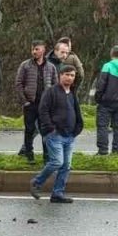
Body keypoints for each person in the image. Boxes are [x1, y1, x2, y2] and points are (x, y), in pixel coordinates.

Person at [30, 65, 84, 204]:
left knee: (66, 166)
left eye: (72, 75)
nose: (70, 77)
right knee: (57, 162)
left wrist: (78, 128)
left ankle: (57, 193)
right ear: (60, 75)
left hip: (69, 135)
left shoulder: (72, 94)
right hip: (55, 135)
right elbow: (43, 111)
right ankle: (36, 182)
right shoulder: (51, 92)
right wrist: (50, 128)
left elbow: (77, 112)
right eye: (67, 74)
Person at [15, 40, 57, 163]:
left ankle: (47, 156)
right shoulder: (25, 65)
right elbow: (18, 84)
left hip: (45, 105)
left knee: (46, 130)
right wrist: (24, 101)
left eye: (37, 49)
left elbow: (55, 85)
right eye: (33, 49)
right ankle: (29, 154)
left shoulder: (51, 67)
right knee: (29, 129)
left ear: (43, 50)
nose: (34, 51)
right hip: (30, 103)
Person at [94, 45, 118, 155]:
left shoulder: (107, 66)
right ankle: (116, 150)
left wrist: (98, 97)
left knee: (102, 126)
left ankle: (103, 150)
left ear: (111, 54)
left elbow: (101, 84)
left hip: (106, 101)